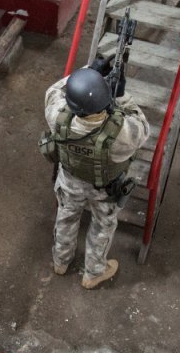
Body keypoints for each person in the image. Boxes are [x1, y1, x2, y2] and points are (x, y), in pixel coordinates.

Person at [41, 62, 149, 289]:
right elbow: (143, 126)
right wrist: (120, 96)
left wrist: (91, 69)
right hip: (105, 189)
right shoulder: (122, 133)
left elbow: (55, 91)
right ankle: (93, 272)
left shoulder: (56, 116)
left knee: (66, 216)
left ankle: (61, 261)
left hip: (70, 182)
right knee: (103, 225)